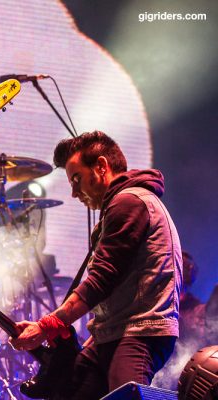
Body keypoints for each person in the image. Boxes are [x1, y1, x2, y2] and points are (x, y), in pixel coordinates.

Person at [10, 131, 182, 399]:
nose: (74, 192)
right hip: (115, 332)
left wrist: (46, 325)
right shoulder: (123, 204)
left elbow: (101, 280)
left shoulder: (129, 202)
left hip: (140, 331)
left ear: (101, 166)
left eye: (77, 179)